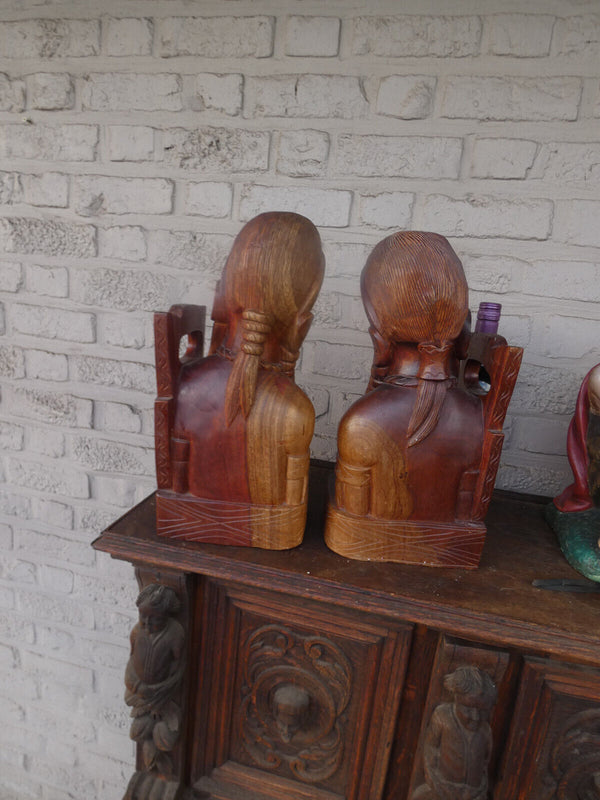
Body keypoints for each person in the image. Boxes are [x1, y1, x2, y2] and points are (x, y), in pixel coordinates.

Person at [124, 584, 185, 773]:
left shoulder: (175, 634)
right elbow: (131, 662)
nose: (147, 623)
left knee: (165, 739)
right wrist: (136, 686)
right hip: (141, 694)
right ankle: (152, 766)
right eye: (143, 616)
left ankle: (160, 766)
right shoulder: (137, 632)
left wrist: (162, 693)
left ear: (166, 616)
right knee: (137, 733)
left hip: (164, 697)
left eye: (155, 618)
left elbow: (178, 668)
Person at [413, 666, 497, 800]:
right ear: (456, 698)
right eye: (468, 709)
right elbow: (430, 748)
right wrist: (436, 782)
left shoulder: (485, 730)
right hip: (441, 790)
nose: (475, 717)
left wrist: (479, 790)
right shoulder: (442, 717)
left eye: (483, 711)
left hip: (473, 794)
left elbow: (485, 761)